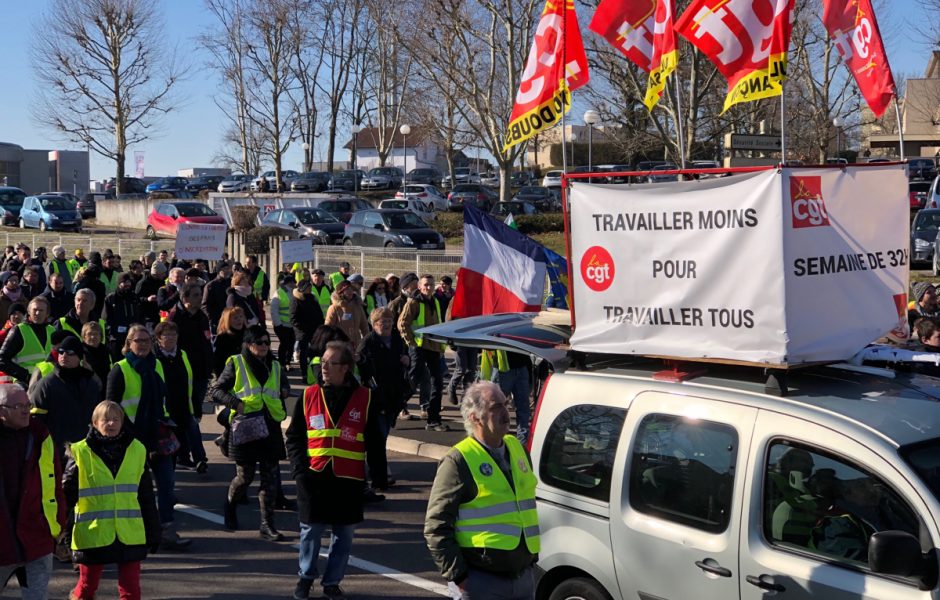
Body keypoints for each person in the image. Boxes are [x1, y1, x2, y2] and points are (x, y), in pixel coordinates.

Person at [286, 341, 386, 600]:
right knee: (311, 531)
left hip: (348, 479)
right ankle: (305, 578)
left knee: (344, 535)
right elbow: (295, 436)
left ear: (345, 368)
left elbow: (375, 440)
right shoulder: (308, 395)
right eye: (322, 363)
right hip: (313, 476)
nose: (323, 368)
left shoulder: (365, 397)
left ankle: (332, 582)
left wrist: (378, 477)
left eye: (330, 363)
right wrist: (299, 470)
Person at [424, 382, 539, 600]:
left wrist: (531, 558)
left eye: (505, 404)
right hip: (481, 581)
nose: (506, 412)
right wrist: (458, 576)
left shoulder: (517, 448)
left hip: (523, 577)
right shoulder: (458, 460)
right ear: (475, 418)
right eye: (496, 407)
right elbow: (436, 526)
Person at [64, 401, 161, 600]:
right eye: (105, 419)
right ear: (94, 422)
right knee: (87, 587)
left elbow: (146, 496)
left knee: (131, 591)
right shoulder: (80, 452)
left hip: (130, 533)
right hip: (93, 533)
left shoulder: (137, 449)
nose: (111, 423)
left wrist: (153, 530)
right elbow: (66, 495)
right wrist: (63, 532)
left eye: (116, 419)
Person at [105, 324, 190, 551]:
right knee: (136, 487)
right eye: (138, 341)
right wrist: (124, 435)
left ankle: (166, 529)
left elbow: (163, 399)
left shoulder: (157, 365)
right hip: (131, 439)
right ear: (128, 344)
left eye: (146, 340)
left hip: (157, 436)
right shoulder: (120, 369)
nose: (142, 344)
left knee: (166, 483)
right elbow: (111, 407)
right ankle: (137, 530)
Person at [211, 325, 290, 541]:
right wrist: (237, 404)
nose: (264, 346)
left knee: (270, 479)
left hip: (270, 425)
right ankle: (230, 506)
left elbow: (284, 386)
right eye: (259, 342)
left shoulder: (274, 365)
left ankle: (267, 525)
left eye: (267, 342)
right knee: (245, 477)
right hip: (246, 425)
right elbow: (216, 391)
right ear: (248, 344)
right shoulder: (236, 363)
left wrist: (284, 391)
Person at [0, 383, 66, 600]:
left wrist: (57, 526)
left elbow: (55, 484)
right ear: (2, 411)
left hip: (37, 538)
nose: (25, 410)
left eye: (27, 404)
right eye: (18, 405)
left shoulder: (41, 435)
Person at [357, 308, 410, 489]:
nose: (386, 325)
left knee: (384, 433)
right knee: (378, 436)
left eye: (388, 321)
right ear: (374, 324)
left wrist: (406, 360)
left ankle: (375, 469)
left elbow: (404, 359)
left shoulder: (397, 340)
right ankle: (379, 472)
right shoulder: (368, 343)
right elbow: (362, 371)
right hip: (376, 397)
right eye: (382, 322)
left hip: (394, 395)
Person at [29, 334, 101, 455]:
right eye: (61, 352)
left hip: (86, 450)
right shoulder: (47, 384)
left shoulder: (90, 383)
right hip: (57, 452)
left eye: (70, 352)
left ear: (79, 357)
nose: (64, 356)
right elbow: (35, 421)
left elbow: (98, 416)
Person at [153, 321, 207, 474]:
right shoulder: (154, 358)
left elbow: (191, 381)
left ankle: (200, 460)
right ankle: (179, 462)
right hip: (166, 408)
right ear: (158, 338)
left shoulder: (182, 354)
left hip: (184, 405)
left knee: (193, 429)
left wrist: (196, 407)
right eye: (166, 335)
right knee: (174, 441)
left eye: (173, 334)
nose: (170, 338)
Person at [399, 275, 448, 431]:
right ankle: (394, 408)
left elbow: (439, 325)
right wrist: (411, 343)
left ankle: (433, 419)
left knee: (437, 383)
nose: (429, 287)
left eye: (431, 285)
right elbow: (402, 324)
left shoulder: (436, 303)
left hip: (433, 348)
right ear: (419, 287)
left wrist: (441, 348)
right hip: (418, 347)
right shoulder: (414, 302)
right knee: (413, 381)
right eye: (426, 285)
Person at [168, 282, 213, 430]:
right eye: (196, 295)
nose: (200, 298)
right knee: (183, 412)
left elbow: (207, 343)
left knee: (196, 411)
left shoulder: (202, 317)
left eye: (200, 295)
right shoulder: (175, 317)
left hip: (200, 372)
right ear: (185, 298)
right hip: (182, 373)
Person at [481, 350, 534, 444]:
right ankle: (494, 440)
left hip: (522, 366)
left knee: (523, 408)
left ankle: (522, 444)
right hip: (503, 369)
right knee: (495, 407)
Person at [0, 297, 54, 386]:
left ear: (47, 314)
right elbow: (2, 359)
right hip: (25, 383)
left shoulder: (51, 330)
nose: (37, 313)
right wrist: (26, 376)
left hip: (48, 382)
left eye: (41, 310)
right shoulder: (19, 330)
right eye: (35, 310)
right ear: (28, 312)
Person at [103, 273, 141, 360]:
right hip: (117, 338)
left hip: (133, 336)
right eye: (124, 282)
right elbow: (106, 318)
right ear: (119, 283)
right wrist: (112, 332)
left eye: (129, 282)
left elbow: (140, 314)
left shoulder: (134, 297)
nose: (127, 284)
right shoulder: (111, 298)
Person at [325, 280, 369, 351]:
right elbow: (328, 328)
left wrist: (367, 341)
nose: (350, 291)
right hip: (340, 346)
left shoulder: (358, 307)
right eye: (347, 289)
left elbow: (364, 326)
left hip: (356, 345)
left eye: (351, 289)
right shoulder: (334, 308)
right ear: (341, 292)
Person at [270, 273, 296, 371]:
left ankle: (288, 362)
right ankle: (282, 363)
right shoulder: (279, 292)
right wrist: (278, 324)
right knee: (284, 344)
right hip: (282, 324)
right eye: (294, 282)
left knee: (291, 344)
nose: (295, 284)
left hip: (292, 325)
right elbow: (274, 310)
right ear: (289, 283)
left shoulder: (294, 292)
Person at [214, 306, 247, 377]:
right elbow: (218, 361)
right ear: (227, 320)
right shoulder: (223, 338)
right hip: (230, 374)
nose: (239, 320)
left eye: (241, 316)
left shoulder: (248, 334)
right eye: (235, 318)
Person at [81, 321, 111, 394]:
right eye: (89, 334)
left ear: (101, 336)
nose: (93, 337)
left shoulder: (106, 351)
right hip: (86, 391)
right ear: (84, 336)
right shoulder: (80, 351)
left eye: (96, 334)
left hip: (105, 390)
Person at [202, 260, 233, 332]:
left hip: (230, 319)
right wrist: (212, 320)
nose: (228, 271)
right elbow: (205, 305)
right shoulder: (211, 286)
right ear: (219, 271)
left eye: (228, 269)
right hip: (217, 322)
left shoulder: (231, 283)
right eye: (225, 269)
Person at [135, 262, 167, 330]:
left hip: (158, 314)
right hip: (147, 316)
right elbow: (136, 298)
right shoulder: (143, 283)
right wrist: (147, 299)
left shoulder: (161, 281)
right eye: (163, 273)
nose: (164, 275)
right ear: (157, 273)